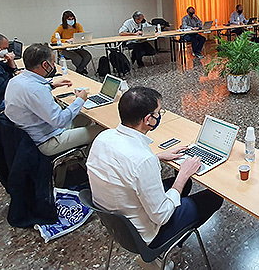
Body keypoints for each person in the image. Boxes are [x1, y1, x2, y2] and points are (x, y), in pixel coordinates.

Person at [87, 87, 223, 248]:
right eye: (158, 113)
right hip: (144, 236)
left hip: (118, 225)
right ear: (148, 120)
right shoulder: (142, 161)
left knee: (184, 185)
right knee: (214, 197)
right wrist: (183, 174)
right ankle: (173, 239)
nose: (159, 116)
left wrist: (156, 156)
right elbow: (162, 216)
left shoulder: (103, 137)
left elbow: (125, 167)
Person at [4, 43, 104, 156]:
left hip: (32, 133)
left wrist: (51, 86)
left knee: (84, 118)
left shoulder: (16, 80)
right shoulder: (36, 90)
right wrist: (80, 100)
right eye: (53, 63)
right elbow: (60, 121)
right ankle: (90, 162)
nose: (54, 66)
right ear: (45, 65)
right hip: (47, 141)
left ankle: (84, 153)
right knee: (102, 130)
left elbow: (33, 96)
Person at [50, 10, 92, 75]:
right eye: (69, 19)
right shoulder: (61, 28)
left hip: (77, 47)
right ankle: (81, 71)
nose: (71, 20)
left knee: (87, 56)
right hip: (64, 49)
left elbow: (82, 36)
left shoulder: (78, 26)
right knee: (77, 58)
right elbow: (53, 39)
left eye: (72, 18)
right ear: (65, 20)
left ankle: (79, 70)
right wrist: (66, 40)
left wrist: (76, 39)